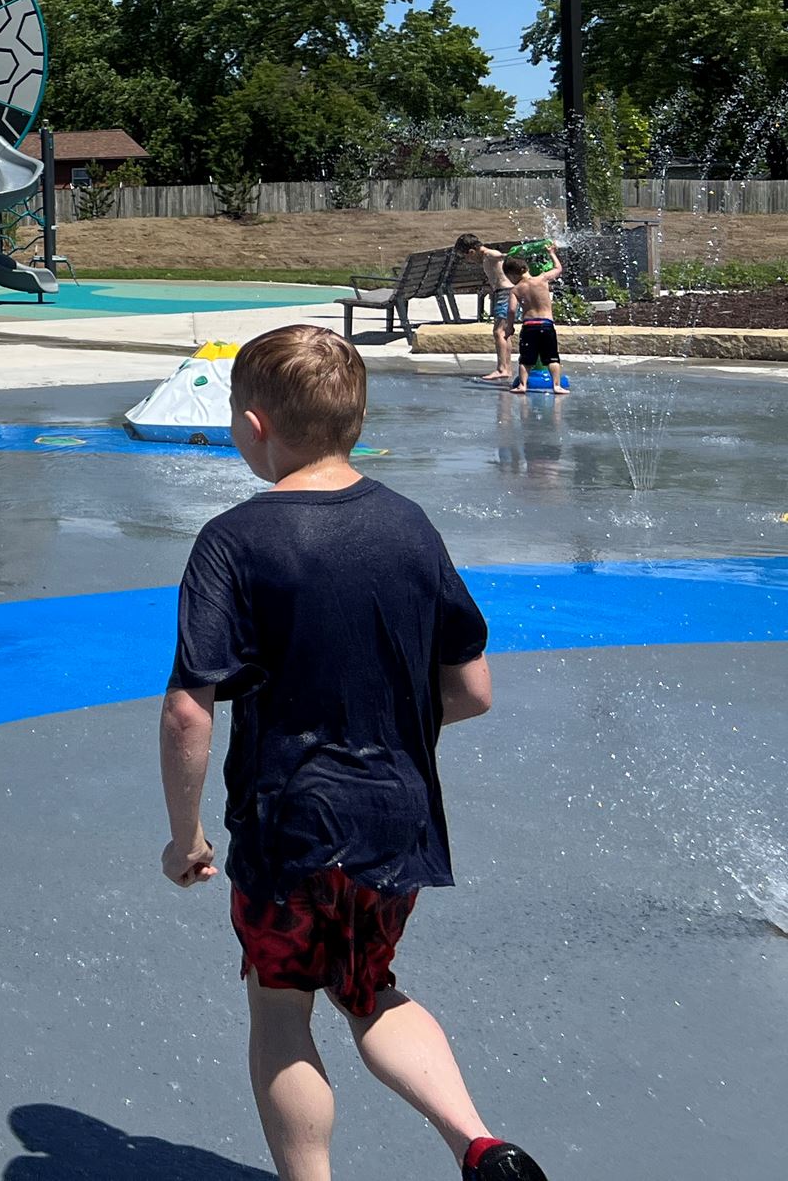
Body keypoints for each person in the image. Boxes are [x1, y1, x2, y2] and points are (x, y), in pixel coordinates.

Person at [157, 325, 548, 1181]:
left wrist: (184, 836)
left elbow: (192, 708)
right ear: (356, 421)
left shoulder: (232, 542)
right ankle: (479, 1145)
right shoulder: (409, 526)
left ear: (255, 426)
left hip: (289, 820)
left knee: (282, 1007)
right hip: (395, 818)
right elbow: (473, 690)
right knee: (368, 985)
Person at [452, 234, 516, 384]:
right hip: (505, 293)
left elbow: (499, 256)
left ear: (471, 252)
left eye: (465, 257)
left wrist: (505, 254)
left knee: (498, 332)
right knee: (505, 333)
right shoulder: (487, 257)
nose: (467, 260)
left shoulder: (489, 254)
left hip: (505, 294)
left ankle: (502, 369)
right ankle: (507, 368)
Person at [500, 250, 564, 394]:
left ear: (513, 275)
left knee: (526, 359)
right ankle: (557, 386)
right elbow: (558, 269)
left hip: (529, 327)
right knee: (552, 358)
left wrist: (509, 327)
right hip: (546, 325)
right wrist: (552, 253)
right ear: (526, 268)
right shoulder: (542, 279)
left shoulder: (516, 290)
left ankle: (522, 385)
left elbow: (511, 310)